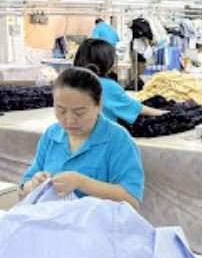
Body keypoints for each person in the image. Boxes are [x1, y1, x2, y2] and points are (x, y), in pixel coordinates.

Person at [20, 68, 144, 210]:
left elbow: (132, 200)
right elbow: (25, 186)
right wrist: (36, 184)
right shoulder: (52, 135)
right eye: (61, 110)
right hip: (54, 222)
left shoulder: (117, 139)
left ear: (99, 105)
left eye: (79, 112)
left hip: (98, 227)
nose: (69, 120)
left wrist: (82, 183)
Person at [73, 39, 166, 124]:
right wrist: (164, 113)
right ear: (106, 62)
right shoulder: (106, 86)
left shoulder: (72, 83)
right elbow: (134, 108)